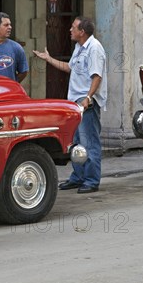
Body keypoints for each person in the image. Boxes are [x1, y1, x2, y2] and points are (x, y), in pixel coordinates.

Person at [32, 17, 107, 194]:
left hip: (85, 103)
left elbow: (97, 76)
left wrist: (88, 97)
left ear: (82, 32)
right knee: (76, 142)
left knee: (89, 141)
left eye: (73, 27)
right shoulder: (79, 47)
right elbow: (69, 68)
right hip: (74, 103)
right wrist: (48, 59)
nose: (70, 30)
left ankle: (91, 180)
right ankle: (78, 177)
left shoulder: (94, 48)